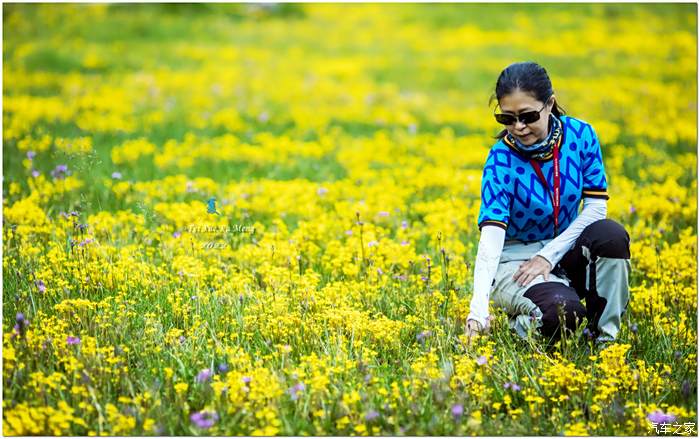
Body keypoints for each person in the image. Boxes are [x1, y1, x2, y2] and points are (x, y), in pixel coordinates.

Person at [465, 61, 631, 346]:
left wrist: (549, 255)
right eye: (507, 119)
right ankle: (522, 323)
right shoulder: (500, 160)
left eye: (528, 116)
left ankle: (606, 343)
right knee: (564, 315)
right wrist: (477, 311)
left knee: (611, 236)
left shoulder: (581, 136)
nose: (518, 127)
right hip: (517, 261)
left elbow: (596, 208)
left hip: (564, 248)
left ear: (550, 104)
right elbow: (491, 238)